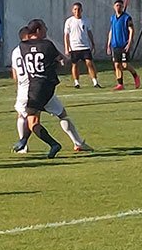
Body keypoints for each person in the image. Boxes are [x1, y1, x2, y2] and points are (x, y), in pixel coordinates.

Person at [10, 21, 93, 155]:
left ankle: (25, 144)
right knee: (60, 114)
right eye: (44, 28)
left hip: (28, 87)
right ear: (37, 31)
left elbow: (16, 73)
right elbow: (62, 61)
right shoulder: (46, 45)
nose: (46, 30)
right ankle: (77, 143)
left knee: (27, 118)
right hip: (44, 87)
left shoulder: (20, 48)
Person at [64, 2, 101, 88]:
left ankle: (95, 82)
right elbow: (66, 35)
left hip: (85, 46)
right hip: (74, 47)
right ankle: (76, 82)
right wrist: (67, 47)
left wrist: (93, 43)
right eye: (75, 9)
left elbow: (89, 32)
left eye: (79, 9)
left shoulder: (86, 20)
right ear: (72, 10)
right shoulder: (69, 21)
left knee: (89, 63)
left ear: (82, 10)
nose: (77, 11)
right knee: (75, 64)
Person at [106, 0, 141, 90]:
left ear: (122, 7)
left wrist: (129, 43)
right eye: (117, 5)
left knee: (125, 65)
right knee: (117, 65)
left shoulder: (127, 18)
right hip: (115, 45)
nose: (118, 7)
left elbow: (131, 30)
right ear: (114, 7)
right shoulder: (112, 18)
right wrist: (108, 44)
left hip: (124, 45)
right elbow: (111, 30)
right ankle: (120, 84)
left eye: (120, 6)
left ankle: (135, 76)